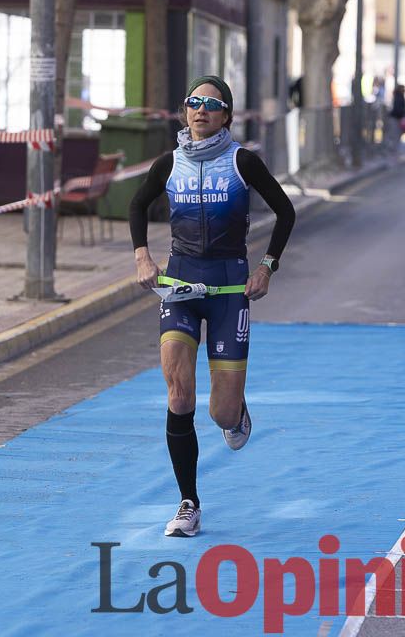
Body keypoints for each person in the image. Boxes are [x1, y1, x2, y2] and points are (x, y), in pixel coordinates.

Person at [129, 74, 296, 538]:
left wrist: (266, 267)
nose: (200, 109)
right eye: (193, 102)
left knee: (221, 414)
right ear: (185, 111)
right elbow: (137, 206)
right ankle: (188, 503)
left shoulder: (243, 162)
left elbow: (286, 211)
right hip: (180, 287)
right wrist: (143, 255)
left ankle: (236, 412)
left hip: (229, 291)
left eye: (211, 103)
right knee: (178, 392)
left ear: (226, 114)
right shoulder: (169, 163)